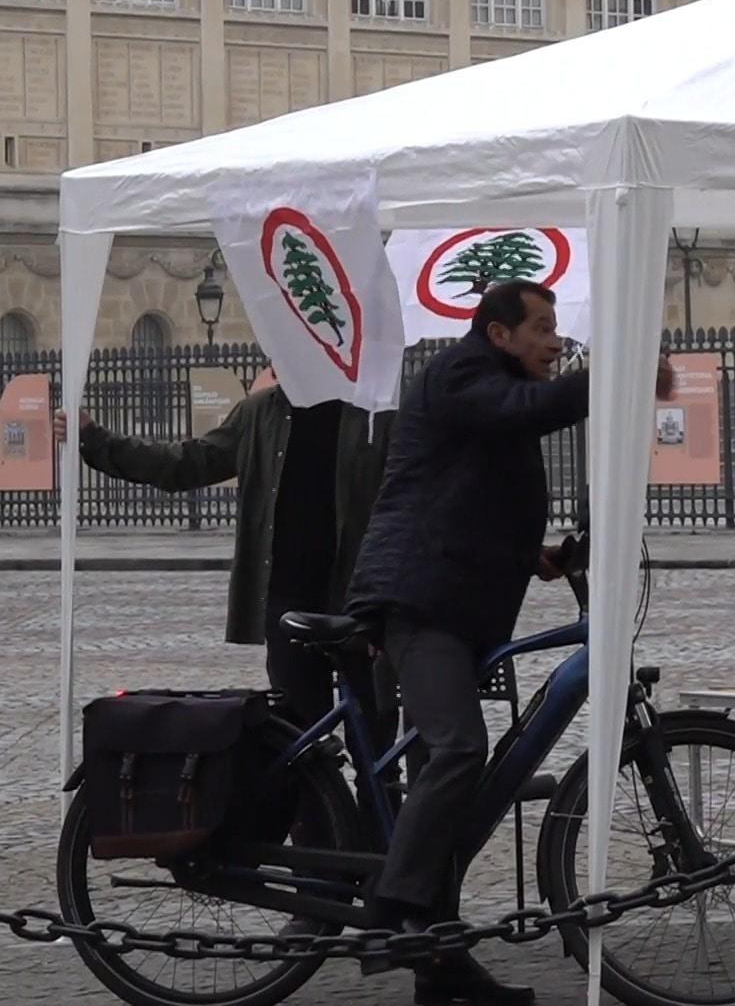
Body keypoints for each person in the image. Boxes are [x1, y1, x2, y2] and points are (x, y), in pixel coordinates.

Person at [344, 280, 591, 1006]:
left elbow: (465, 492)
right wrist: (612, 377)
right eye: (541, 328)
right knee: (456, 750)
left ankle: (441, 968)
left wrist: (533, 553)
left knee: (443, 790)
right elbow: (522, 412)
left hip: (454, 596)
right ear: (498, 333)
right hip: (421, 602)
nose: (554, 341)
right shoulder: (463, 374)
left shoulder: (487, 384)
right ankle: (391, 912)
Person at [54, 368, 398, 754]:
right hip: (287, 602)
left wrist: (389, 599)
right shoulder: (259, 414)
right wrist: (97, 440)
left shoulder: (377, 413)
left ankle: (382, 811)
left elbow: (404, 507)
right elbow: (185, 462)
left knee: (376, 735)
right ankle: (313, 815)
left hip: (360, 599)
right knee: (301, 740)